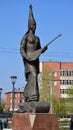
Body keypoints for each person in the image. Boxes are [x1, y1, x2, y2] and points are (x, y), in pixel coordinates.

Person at [20, 5, 47, 102]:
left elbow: (39, 49)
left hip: (35, 60)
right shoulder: (26, 37)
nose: (35, 27)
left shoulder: (37, 38)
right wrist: (25, 56)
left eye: (35, 25)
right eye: (33, 25)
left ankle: (28, 96)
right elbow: (22, 48)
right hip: (28, 59)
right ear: (29, 26)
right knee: (33, 75)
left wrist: (43, 49)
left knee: (34, 77)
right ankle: (33, 97)